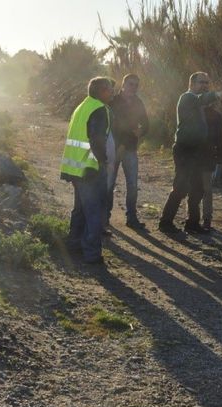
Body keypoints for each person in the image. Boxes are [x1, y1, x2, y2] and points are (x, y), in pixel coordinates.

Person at [159, 72, 222, 234]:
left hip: (198, 151)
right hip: (185, 149)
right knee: (181, 186)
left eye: (207, 83)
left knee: (197, 188)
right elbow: (201, 99)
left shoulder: (200, 105)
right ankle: (165, 222)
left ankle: (192, 223)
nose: (205, 85)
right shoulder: (187, 97)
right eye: (201, 82)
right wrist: (216, 94)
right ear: (191, 83)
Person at [62, 76, 113, 265]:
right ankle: (92, 253)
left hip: (75, 167)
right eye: (109, 88)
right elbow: (97, 139)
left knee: (81, 209)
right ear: (101, 91)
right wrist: (103, 161)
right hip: (90, 168)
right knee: (94, 211)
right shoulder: (99, 109)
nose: (112, 91)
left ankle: (74, 245)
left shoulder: (82, 106)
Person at [107, 74, 150, 230]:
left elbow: (146, 123)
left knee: (132, 185)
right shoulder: (113, 101)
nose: (133, 87)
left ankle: (131, 218)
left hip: (130, 149)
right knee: (109, 184)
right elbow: (114, 126)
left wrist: (141, 131)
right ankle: (105, 218)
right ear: (123, 84)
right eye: (131, 84)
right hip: (114, 149)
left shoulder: (138, 102)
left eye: (136, 85)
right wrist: (123, 141)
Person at [200, 99, 222, 231]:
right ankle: (191, 217)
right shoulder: (190, 112)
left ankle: (207, 218)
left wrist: (220, 158)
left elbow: (220, 138)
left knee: (207, 188)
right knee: (191, 187)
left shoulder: (216, 115)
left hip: (208, 155)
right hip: (191, 155)